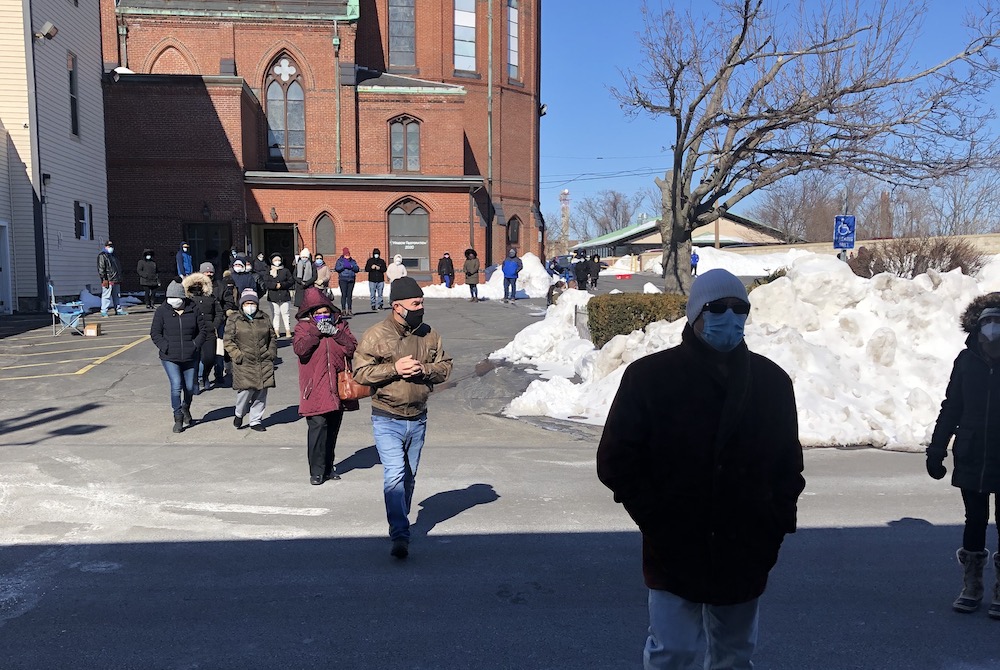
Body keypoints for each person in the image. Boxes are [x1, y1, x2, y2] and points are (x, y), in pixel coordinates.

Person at [596, 268, 805, 670]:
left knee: (735, 653)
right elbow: (616, 461)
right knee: (673, 653)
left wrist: (775, 523)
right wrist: (656, 517)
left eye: (739, 308)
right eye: (717, 307)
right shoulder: (649, 378)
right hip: (673, 544)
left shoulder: (772, 382)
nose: (730, 316)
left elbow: (787, 464)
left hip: (746, 546)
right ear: (695, 314)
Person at [353, 277, 453, 559]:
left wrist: (425, 369)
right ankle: (399, 533)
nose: (421, 308)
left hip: (418, 418)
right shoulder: (376, 334)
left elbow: (445, 367)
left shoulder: (429, 334)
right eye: (415, 303)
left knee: (408, 478)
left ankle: (400, 515)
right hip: (387, 417)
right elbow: (360, 372)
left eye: (421, 302)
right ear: (397, 306)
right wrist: (394, 368)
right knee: (395, 474)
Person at [927, 293, 1000, 618]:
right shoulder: (966, 360)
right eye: (987, 323)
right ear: (977, 327)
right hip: (971, 452)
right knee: (975, 521)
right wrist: (937, 448)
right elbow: (951, 407)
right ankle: (972, 586)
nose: (993, 330)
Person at [293, 287, 358, 485]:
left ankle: (329, 468)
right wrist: (316, 332)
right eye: (318, 314)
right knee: (318, 427)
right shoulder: (303, 329)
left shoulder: (340, 325)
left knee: (332, 429)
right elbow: (300, 350)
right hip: (314, 388)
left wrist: (336, 333)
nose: (323, 316)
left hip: (337, 386)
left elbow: (351, 347)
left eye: (325, 312)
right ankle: (316, 471)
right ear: (311, 315)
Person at [150, 280, 210, 433]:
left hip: (191, 356)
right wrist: (166, 346)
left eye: (175, 298)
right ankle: (178, 417)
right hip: (170, 357)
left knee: (189, 387)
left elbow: (203, 330)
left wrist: (195, 345)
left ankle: (185, 407)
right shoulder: (162, 311)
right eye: (170, 298)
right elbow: (155, 333)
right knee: (176, 386)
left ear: (182, 298)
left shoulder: (193, 308)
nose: (172, 301)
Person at [224, 288, 277, 433]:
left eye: (252, 303)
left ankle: (255, 420)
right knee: (246, 391)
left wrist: (271, 352)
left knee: (261, 392)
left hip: (263, 361)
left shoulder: (264, 318)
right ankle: (239, 413)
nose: (250, 306)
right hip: (244, 361)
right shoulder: (234, 319)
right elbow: (228, 340)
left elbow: (272, 337)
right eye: (247, 303)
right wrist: (237, 355)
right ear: (241, 304)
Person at [183, 268, 223, 392]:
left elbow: (219, 312)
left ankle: (205, 375)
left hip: (209, 332)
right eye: (194, 285)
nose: (197, 287)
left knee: (209, 358)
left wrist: (214, 324)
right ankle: (195, 380)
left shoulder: (211, 298)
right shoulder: (187, 300)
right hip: (193, 333)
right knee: (194, 359)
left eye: (199, 284)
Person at [202, 262, 227, 386]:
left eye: (211, 271)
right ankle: (202, 376)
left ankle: (219, 374)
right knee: (202, 352)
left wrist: (222, 316)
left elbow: (227, 301)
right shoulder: (196, 286)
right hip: (201, 324)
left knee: (219, 350)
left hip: (219, 322)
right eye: (206, 272)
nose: (209, 274)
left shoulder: (220, 285)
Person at [264, 252, 293, 338]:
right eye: (275, 260)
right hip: (273, 296)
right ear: (272, 261)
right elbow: (266, 282)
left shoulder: (285, 270)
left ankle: (288, 330)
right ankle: (276, 330)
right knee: (275, 314)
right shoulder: (268, 271)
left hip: (284, 296)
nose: (277, 261)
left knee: (286, 314)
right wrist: (274, 285)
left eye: (279, 260)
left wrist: (282, 285)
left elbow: (290, 281)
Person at [97, 240, 125, 317]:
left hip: (116, 279)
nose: (110, 248)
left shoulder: (114, 256)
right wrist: (104, 279)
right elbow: (101, 268)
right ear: (105, 247)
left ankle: (118, 309)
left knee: (117, 295)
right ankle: (104, 310)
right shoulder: (102, 255)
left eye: (111, 246)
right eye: (109, 246)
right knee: (106, 296)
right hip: (108, 279)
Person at [334, 247, 360, 316]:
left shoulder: (352, 261)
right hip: (343, 279)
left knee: (349, 295)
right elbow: (337, 268)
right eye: (346, 255)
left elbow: (357, 269)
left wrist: (351, 266)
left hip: (351, 279)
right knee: (344, 295)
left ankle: (349, 309)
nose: (347, 256)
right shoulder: (340, 261)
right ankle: (343, 310)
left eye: (348, 255)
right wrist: (343, 266)